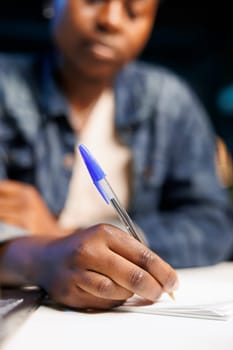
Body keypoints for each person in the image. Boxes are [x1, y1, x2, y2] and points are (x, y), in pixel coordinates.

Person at [0, 0, 232, 309]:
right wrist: (42, 256)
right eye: (92, 1)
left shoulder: (169, 102)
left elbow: (212, 222)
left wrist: (65, 237)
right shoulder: (5, 88)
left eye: (133, 11)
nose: (111, 21)